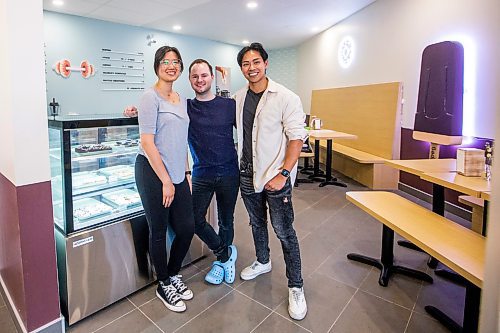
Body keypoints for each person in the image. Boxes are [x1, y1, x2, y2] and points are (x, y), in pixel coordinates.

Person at [125, 59, 239, 286]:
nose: (200, 80)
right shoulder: (186, 105)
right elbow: (162, 110)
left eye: (204, 75)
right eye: (195, 76)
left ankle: (224, 262)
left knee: (226, 221)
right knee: (194, 221)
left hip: (229, 172)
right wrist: (137, 111)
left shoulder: (229, 106)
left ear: (211, 77)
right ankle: (224, 253)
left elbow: (248, 131)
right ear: (190, 80)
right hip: (200, 174)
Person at [234, 42, 308, 320]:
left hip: (276, 178)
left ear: (266, 63)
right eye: (245, 64)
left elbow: (296, 138)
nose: (251, 68)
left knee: (284, 230)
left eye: (256, 62)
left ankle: (296, 285)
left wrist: (284, 174)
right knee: (256, 223)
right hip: (246, 175)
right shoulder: (239, 97)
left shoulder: (286, 97)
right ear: (241, 68)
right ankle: (263, 261)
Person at [134, 45, 194, 313]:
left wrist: (185, 174)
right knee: (158, 230)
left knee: (186, 228)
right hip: (152, 172)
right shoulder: (150, 97)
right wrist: (167, 181)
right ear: (157, 65)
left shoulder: (180, 98)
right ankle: (163, 284)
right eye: (166, 61)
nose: (171, 65)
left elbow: (180, 142)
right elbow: (147, 142)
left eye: (176, 61)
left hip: (177, 174)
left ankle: (172, 273)